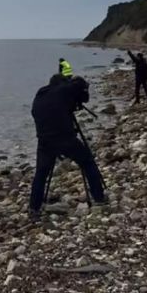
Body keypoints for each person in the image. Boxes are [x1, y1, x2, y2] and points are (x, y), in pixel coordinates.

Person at [28, 76, 105, 220]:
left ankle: (34, 208)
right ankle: (99, 197)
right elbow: (81, 84)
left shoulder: (41, 93)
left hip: (44, 140)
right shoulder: (64, 90)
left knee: (41, 174)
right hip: (65, 138)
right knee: (87, 162)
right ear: (62, 84)